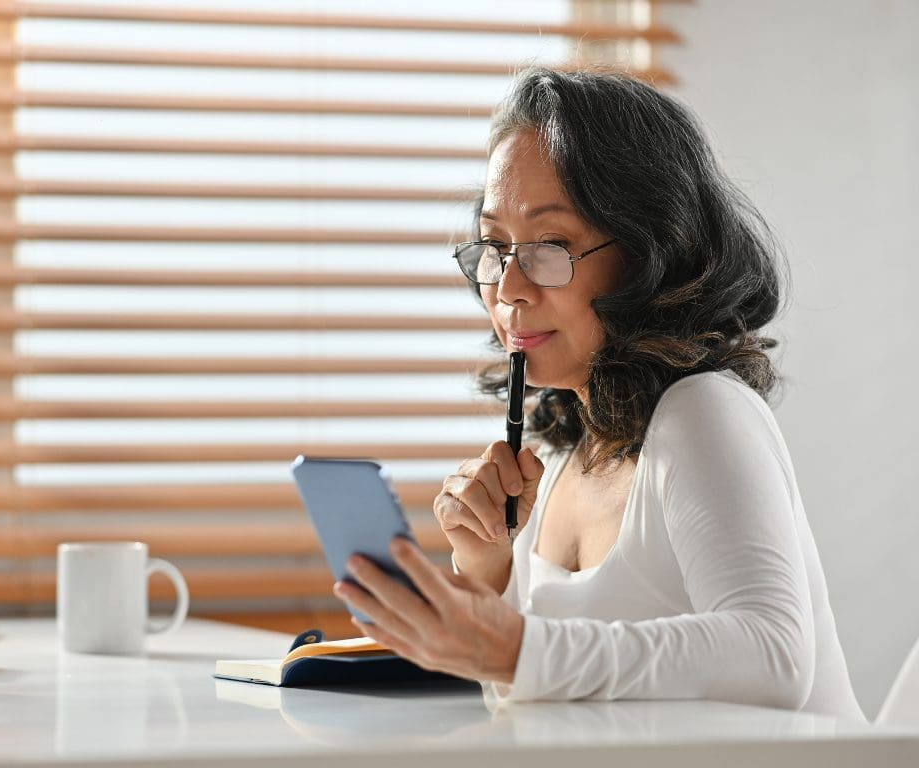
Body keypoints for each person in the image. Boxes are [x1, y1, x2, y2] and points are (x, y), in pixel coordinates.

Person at [332, 67, 864, 721]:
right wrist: (487, 570)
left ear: (649, 252)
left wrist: (513, 644)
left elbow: (772, 657)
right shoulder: (559, 455)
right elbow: (542, 702)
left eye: (551, 245)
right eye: (496, 246)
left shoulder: (703, 410)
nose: (509, 289)